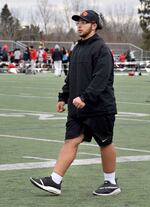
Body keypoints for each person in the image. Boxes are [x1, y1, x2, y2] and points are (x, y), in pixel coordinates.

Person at [30, 9, 121, 196]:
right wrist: (63, 97)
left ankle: (111, 183)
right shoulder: (77, 48)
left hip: (98, 107)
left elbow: (101, 79)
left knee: (105, 142)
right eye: (77, 22)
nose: (79, 25)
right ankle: (55, 181)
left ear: (94, 25)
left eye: (83, 22)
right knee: (71, 140)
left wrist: (85, 97)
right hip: (77, 108)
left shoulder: (101, 49)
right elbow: (71, 77)